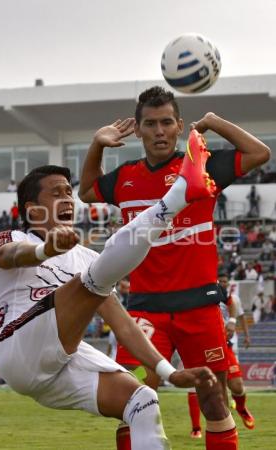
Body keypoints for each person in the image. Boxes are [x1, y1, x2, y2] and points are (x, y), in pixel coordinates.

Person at [79, 86, 270, 450]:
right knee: (130, 400)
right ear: (138, 130)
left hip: (199, 309)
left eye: (167, 122)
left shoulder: (202, 167)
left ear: (179, 126)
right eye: (150, 124)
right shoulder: (126, 178)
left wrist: (214, 122)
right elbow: (86, 190)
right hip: (144, 313)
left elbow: (260, 153)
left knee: (213, 399)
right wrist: (98, 144)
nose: (159, 131)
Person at [0, 160, 217, 450]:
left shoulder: (86, 259)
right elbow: (11, 255)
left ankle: (176, 197)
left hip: (59, 364)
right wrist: (44, 249)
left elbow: (122, 323)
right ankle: (177, 197)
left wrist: (168, 372)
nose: (68, 198)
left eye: (68, 192)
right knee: (91, 280)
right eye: (57, 193)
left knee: (142, 400)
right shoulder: (11, 238)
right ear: (33, 209)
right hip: (16, 347)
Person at [187, 272, 254, 438]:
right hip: (194, 343)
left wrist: (235, 326)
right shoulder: (189, 294)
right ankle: (198, 428)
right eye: (220, 281)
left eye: (224, 281)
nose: (222, 283)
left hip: (225, 344)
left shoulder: (227, 297)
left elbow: (239, 315)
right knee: (198, 386)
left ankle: (241, 407)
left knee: (236, 385)